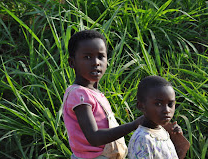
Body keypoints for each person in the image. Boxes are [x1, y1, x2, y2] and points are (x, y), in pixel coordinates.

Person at [62, 30, 143, 159]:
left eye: (100, 56)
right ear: (72, 63)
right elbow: (94, 138)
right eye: (87, 57)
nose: (96, 62)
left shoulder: (94, 93)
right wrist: (134, 125)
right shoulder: (78, 94)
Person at [128, 76, 189, 159]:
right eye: (158, 104)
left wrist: (177, 139)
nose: (167, 110)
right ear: (141, 106)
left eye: (170, 104)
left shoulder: (162, 132)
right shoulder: (142, 139)